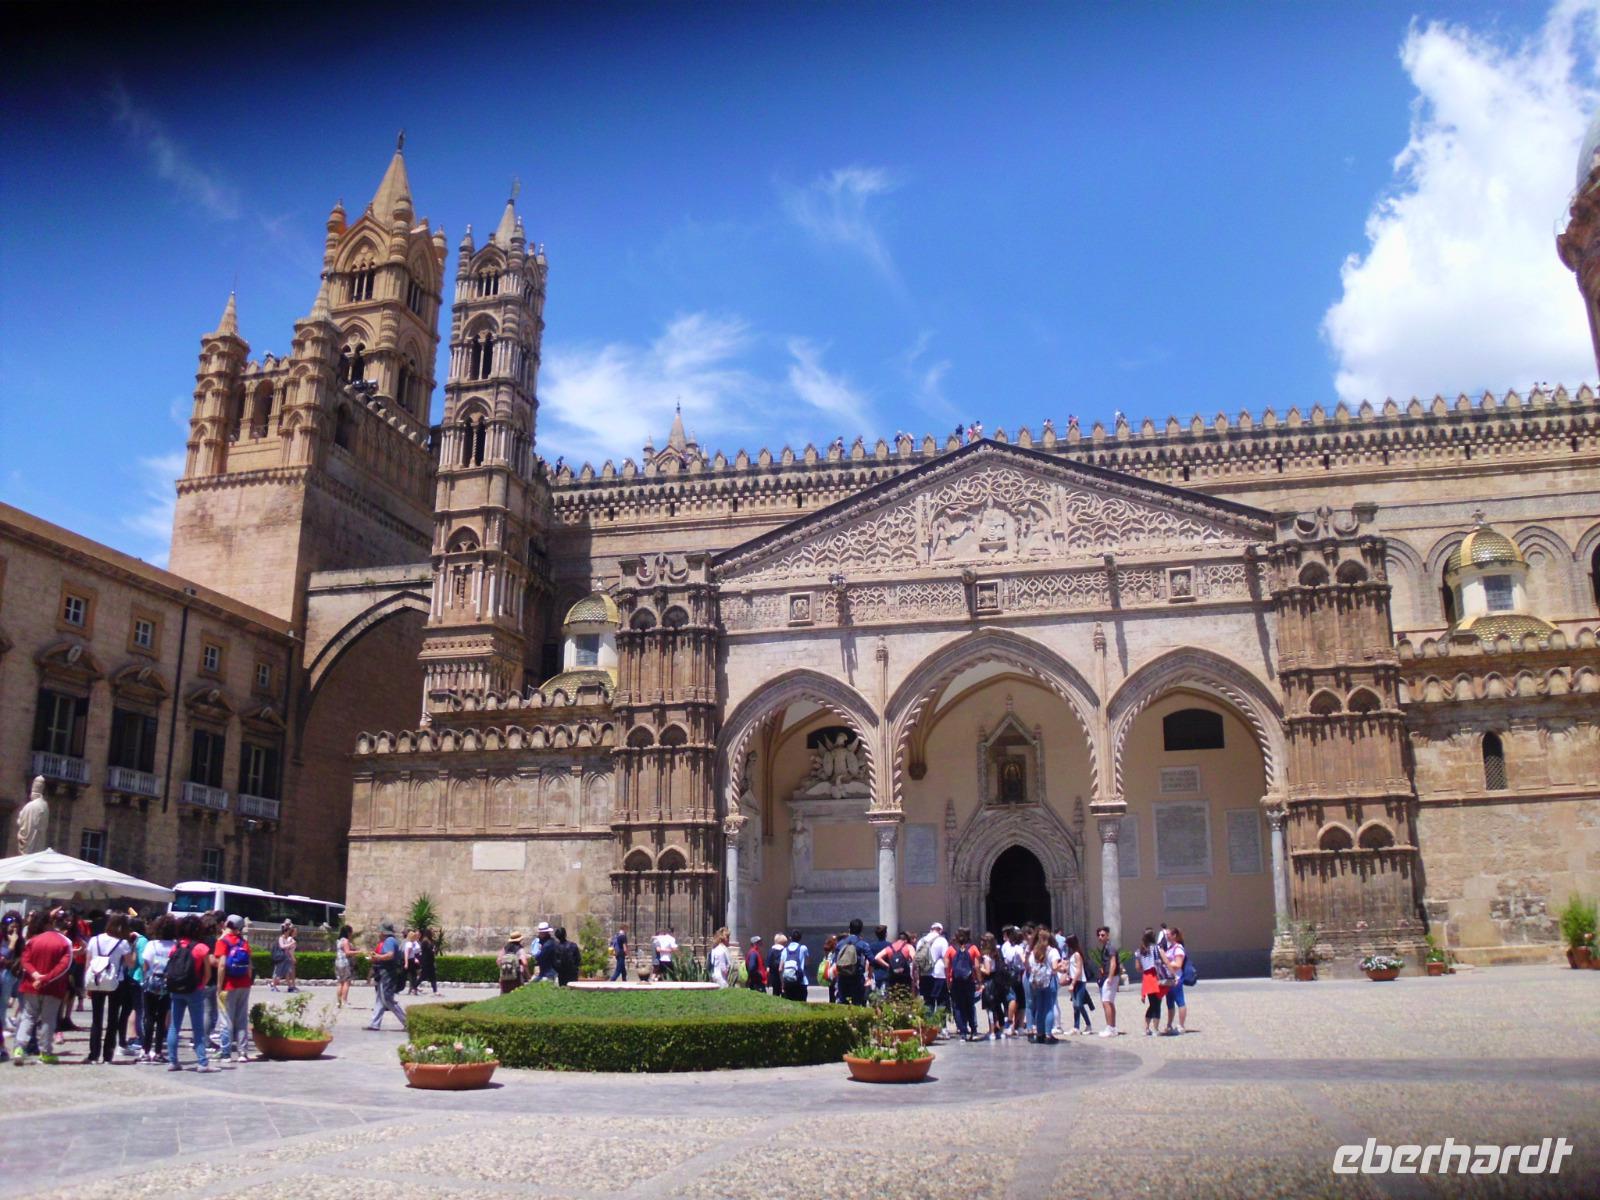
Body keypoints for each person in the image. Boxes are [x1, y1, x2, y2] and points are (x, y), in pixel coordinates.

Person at [12, 908, 72, 1065]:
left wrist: (35, 975)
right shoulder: (64, 942)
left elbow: (25, 960)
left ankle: (20, 1047)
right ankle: (45, 1052)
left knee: (28, 1017)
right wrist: (46, 978)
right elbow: (64, 966)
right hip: (53, 987)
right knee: (48, 1019)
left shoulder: (33, 940)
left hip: (31, 985)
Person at [165, 914, 216, 1072]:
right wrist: (201, 984)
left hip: (176, 990)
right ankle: (202, 1062)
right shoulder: (201, 948)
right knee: (198, 1028)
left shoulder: (176, 947)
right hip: (195, 990)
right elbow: (207, 973)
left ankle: (173, 1061)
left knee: (174, 1026)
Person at [84, 912, 135, 1064]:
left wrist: (87, 984)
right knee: (112, 1019)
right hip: (115, 982)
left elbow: (88, 962)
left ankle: (93, 1054)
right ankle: (108, 1055)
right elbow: (130, 964)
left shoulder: (94, 940)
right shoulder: (123, 943)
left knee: (96, 1019)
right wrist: (133, 948)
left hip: (96, 979)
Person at [213, 914, 254, 1064]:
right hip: (244, 984)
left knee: (226, 1019)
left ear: (227, 924)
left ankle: (226, 1052)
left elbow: (222, 965)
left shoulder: (222, 942)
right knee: (242, 1019)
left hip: (228, 985)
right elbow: (249, 966)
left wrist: (219, 986)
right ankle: (243, 1053)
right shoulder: (244, 942)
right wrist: (248, 982)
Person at [139, 914, 177, 1063]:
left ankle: (145, 1050)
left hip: (151, 983)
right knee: (162, 1019)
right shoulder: (175, 945)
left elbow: (145, 965)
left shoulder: (151, 944)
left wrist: (146, 978)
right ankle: (158, 1051)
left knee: (148, 1017)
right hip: (167, 984)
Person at [366, 920, 408, 1031]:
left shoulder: (389, 941)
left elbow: (390, 955)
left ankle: (407, 1022)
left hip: (387, 974)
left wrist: (377, 957)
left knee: (387, 999)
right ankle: (375, 1024)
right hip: (386, 973)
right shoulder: (393, 940)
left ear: (383, 932)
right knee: (380, 999)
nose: (379, 934)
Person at [945, 927, 981, 1041]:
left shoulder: (950, 949)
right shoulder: (973, 948)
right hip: (969, 980)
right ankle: (974, 1031)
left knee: (958, 1006)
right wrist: (979, 981)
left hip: (956, 981)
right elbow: (976, 966)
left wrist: (948, 981)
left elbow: (946, 966)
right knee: (970, 1005)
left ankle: (963, 1032)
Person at [1026, 928, 1060, 1044]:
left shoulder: (1034, 952)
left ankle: (1039, 1033)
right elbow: (1055, 968)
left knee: (1039, 1007)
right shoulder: (1052, 951)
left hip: (1037, 982)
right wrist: (1062, 967)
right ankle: (1048, 1034)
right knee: (1049, 1007)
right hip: (1049, 981)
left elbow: (1029, 967)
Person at [1136, 928, 1168, 1037]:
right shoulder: (1156, 948)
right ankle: (1155, 1029)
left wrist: (1145, 967)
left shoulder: (1139, 951)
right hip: (1156, 977)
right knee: (1157, 1004)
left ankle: (1146, 1028)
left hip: (1147, 978)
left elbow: (1138, 967)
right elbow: (1164, 961)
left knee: (1152, 1004)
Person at [832, 918, 871, 1007]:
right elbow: (872, 960)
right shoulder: (863, 944)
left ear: (849, 929)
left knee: (843, 1003)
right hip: (857, 978)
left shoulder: (840, 944)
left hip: (842, 978)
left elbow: (835, 961)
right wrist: (869, 976)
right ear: (861, 930)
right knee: (857, 1003)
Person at [1094, 925, 1121, 1037]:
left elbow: (1113, 962)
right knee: (1109, 1002)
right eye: (1099, 935)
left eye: (1102, 935)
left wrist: (1109, 977)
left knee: (1106, 1002)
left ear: (1108, 935)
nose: (1100, 937)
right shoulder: (1105, 947)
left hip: (1111, 977)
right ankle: (1112, 1027)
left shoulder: (1110, 947)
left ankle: (1110, 1028)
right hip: (1108, 976)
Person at [1064, 934, 1094, 1035]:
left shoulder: (1077, 955)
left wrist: (1073, 983)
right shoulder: (1073, 955)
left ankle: (1088, 1025)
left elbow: (1079, 970)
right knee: (1075, 1006)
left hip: (1079, 981)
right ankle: (1076, 1027)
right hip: (1075, 980)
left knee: (1079, 1004)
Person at [1000, 926, 1027, 1037]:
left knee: (1012, 998)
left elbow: (1005, 960)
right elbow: (1024, 960)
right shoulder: (1019, 948)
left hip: (1008, 974)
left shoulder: (1007, 947)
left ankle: (1011, 1024)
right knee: (1018, 999)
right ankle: (1017, 1025)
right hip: (1018, 975)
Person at [874, 929, 917, 997]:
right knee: (905, 996)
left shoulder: (890, 947)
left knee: (892, 996)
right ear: (906, 940)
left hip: (892, 976)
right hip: (904, 976)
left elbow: (877, 957)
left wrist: (888, 965)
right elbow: (915, 959)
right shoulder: (908, 947)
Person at [978, 932, 1005, 1040]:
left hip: (989, 983)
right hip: (997, 982)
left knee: (990, 1008)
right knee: (998, 1007)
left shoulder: (986, 956)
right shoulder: (997, 953)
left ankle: (992, 1031)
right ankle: (1001, 1030)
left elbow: (988, 971)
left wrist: (980, 967)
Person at [1162, 927, 1188, 1035]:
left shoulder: (1178, 948)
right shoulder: (1170, 948)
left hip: (1176, 978)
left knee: (1180, 1001)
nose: (1166, 936)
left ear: (1174, 935)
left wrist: (1165, 963)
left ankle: (1181, 1025)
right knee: (1169, 1003)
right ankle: (1169, 1024)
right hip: (1169, 979)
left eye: (1168, 934)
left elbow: (1178, 964)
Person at [924, 923, 950, 1025]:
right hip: (939, 974)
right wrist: (948, 976)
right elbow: (946, 959)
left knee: (928, 1002)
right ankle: (941, 1027)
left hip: (924, 974)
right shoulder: (942, 941)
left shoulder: (922, 940)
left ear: (931, 929)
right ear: (940, 930)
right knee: (941, 1001)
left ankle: (928, 1026)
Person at [779, 931, 809, 1002]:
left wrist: (782, 983)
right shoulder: (803, 948)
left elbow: (780, 969)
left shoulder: (784, 950)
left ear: (790, 938)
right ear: (800, 938)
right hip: (801, 982)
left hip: (788, 983)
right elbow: (808, 962)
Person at [334, 925, 359, 1009]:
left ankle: (338, 1001)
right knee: (346, 982)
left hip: (338, 962)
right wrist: (358, 952)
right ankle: (344, 1000)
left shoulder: (338, 941)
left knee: (339, 982)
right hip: (345, 963)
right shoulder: (346, 941)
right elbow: (347, 952)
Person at [273, 921, 298, 993]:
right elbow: (282, 946)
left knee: (287, 972)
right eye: (288, 932)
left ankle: (290, 987)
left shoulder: (286, 938)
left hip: (286, 958)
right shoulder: (281, 938)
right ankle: (273, 986)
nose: (289, 933)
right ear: (285, 932)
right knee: (277, 972)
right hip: (281, 957)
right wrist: (291, 943)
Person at [867, 924, 890, 995]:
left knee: (876, 996)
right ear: (886, 934)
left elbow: (870, 963)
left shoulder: (871, 946)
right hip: (887, 973)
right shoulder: (890, 945)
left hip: (875, 974)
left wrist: (869, 976)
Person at [417, 929, 439, 994]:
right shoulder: (425, 941)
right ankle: (414, 987)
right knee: (423, 976)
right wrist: (432, 951)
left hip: (430, 961)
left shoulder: (430, 941)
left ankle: (435, 991)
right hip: (426, 962)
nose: (433, 934)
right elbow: (425, 952)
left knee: (433, 977)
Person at [404, 929, 422, 995]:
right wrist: (406, 963)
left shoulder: (410, 943)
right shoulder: (409, 944)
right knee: (412, 976)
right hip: (410, 960)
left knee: (413, 975)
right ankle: (413, 989)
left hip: (411, 960)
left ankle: (413, 989)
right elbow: (407, 954)